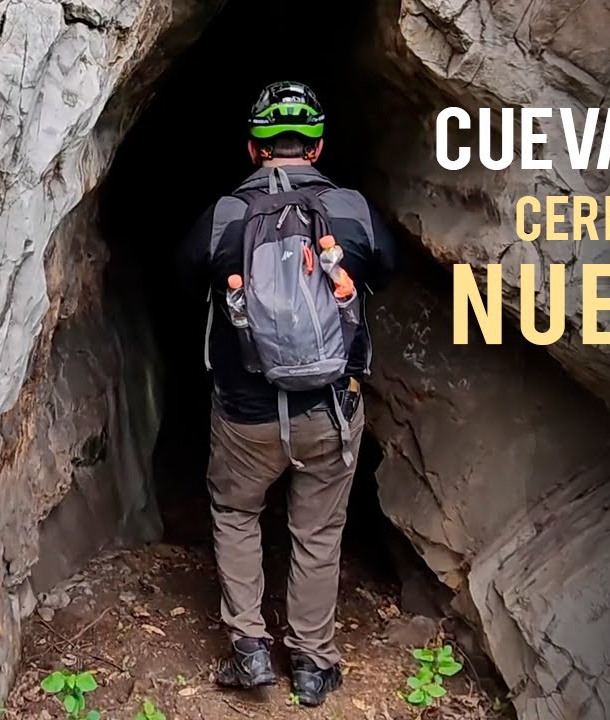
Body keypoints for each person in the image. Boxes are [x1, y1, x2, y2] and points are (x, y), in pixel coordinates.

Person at [177, 80, 397, 706]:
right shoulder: (351, 209)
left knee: (236, 513)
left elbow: (184, 275)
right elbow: (387, 268)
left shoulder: (226, 215)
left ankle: (249, 649)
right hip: (329, 409)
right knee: (318, 533)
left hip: (245, 414)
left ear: (254, 149)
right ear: (318, 146)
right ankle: (311, 662)